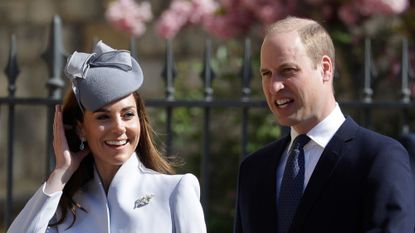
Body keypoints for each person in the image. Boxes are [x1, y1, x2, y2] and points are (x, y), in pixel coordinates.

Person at [234, 16, 415, 233]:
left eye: (288, 70)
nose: (274, 86)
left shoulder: (379, 158)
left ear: (325, 69)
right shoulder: (253, 169)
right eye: (266, 74)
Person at [8, 41, 206, 233]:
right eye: (103, 117)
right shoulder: (64, 206)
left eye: (128, 115)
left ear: (140, 121)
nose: (119, 127)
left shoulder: (175, 190)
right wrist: (61, 172)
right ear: (81, 129)